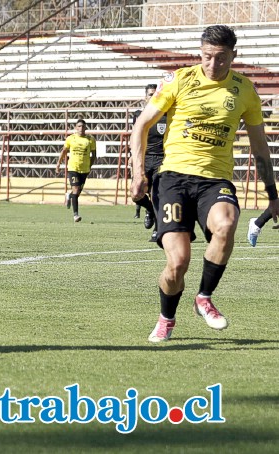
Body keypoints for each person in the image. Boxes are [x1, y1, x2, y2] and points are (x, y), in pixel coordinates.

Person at [130, 25, 278, 343]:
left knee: (226, 223)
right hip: (173, 178)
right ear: (200, 53)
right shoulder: (180, 80)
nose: (213, 65)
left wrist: (272, 192)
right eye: (208, 57)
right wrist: (137, 172)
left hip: (215, 180)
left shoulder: (244, 90)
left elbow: (259, 146)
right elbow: (141, 124)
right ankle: (166, 318)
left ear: (233, 56)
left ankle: (203, 298)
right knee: (178, 261)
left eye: (221, 58)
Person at [132, 84, 167, 242]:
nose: (153, 97)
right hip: (144, 159)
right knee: (136, 194)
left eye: (155, 94)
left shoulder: (168, 115)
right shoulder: (139, 115)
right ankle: (151, 211)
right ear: (145, 97)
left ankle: (157, 229)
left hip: (162, 159)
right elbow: (136, 138)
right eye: (150, 94)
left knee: (157, 195)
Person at [56, 118, 96, 222]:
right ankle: (76, 215)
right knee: (76, 190)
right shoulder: (71, 138)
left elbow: (94, 155)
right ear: (75, 128)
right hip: (73, 168)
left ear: (85, 127)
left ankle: (69, 196)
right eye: (79, 126)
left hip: (85, 169)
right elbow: (64, 151)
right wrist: (58, 164)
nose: (81, 128)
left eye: (83, 126)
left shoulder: (90, 139)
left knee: (77, 193)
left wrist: (90, 166)